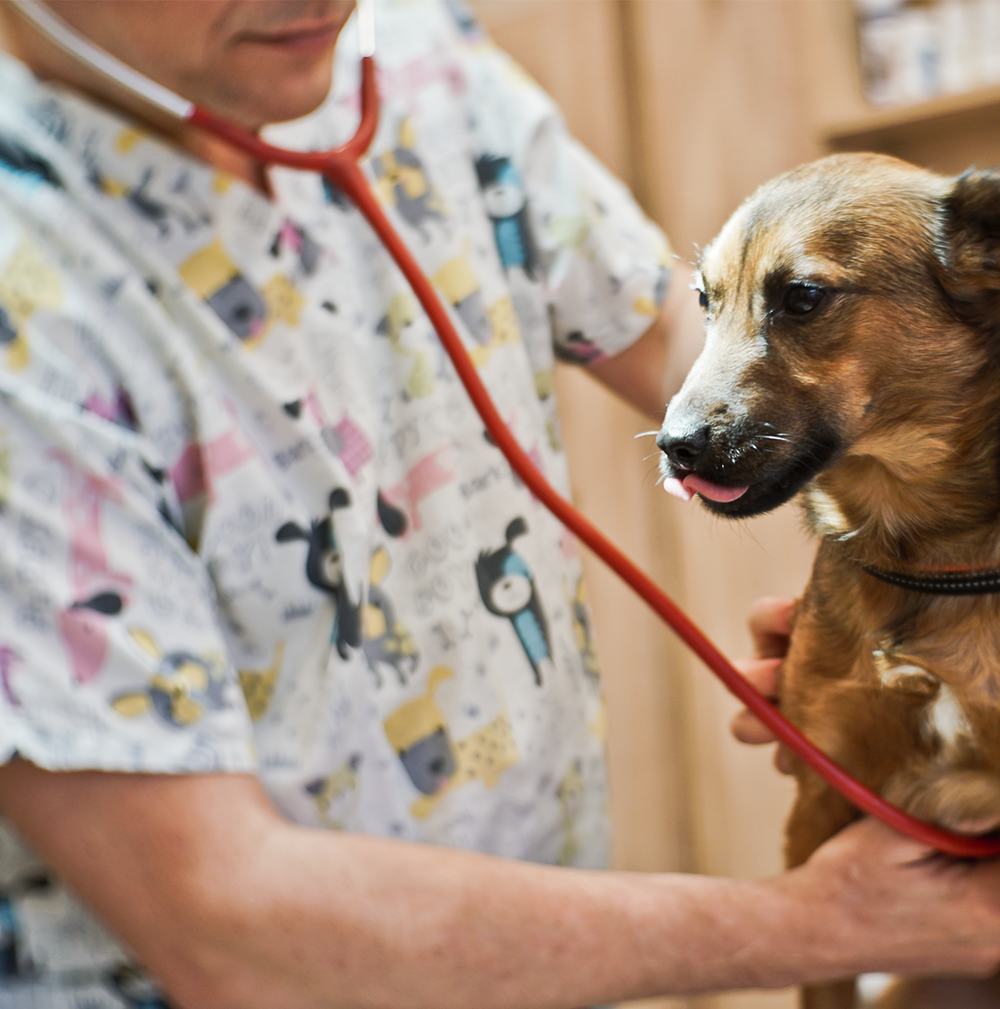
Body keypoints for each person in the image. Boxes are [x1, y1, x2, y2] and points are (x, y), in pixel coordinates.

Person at [0, 2, 997, 1007]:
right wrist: (822, 922)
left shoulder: (415, 58)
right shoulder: (25, 296)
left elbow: (690, 348)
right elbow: (225, 930)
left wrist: (924, 588)